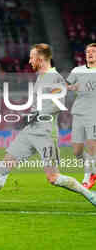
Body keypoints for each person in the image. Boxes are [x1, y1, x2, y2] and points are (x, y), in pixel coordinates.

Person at [0, 43, 96, 211]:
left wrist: (38, 114)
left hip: (46, 133)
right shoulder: (41, 76)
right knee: (4, 165)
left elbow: (58, 104)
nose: (29, 60)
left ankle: (90, 195)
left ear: (41, 59)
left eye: (32, 57)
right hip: (30, 131)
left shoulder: (54, 77)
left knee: (53, 178)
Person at [66, 43, 96, 189]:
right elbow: (65, 85)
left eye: (93, 52)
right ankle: (93, 171)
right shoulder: (77, 70)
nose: (90, 54)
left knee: (92, 146)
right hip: (78, 112)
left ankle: (88, 176)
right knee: (77, 151)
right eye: (88, 52)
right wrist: (72, 87)